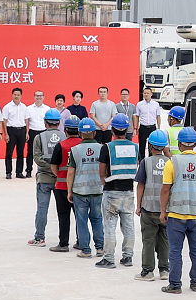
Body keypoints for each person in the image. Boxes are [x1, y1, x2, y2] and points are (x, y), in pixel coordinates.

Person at [159, 127, 196, 294]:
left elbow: (165, 190)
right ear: (194, 144)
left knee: (175, 251)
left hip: (176, 214)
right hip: (195, 214)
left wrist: (163, 211)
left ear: (179, 144)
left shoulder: (172, 162)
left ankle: (175, 285)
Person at [95, 114, 138, 269]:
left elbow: (101, 173)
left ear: (112, 130)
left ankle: (109, 259)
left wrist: (106, 185)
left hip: (111, 192)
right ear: (126, 130)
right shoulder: (135, 147)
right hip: (129, 192)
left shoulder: (107, 147)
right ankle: (128, 257)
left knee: (109, 228)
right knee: (129, 227)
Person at [134, 130, 171, 281]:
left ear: (150, 146)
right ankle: (164, 270)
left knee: (148, 241)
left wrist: (138, 206)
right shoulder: (170, 162)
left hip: (148, 209)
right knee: (164, 240)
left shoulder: (146, 162)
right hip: (165, 210)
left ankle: (148, 271)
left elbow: (140, 185)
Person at [66, 118, 106, 259]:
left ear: (79, 133)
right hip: (97, 191)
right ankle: (100, 248)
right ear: (95, 133)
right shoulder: (102, 148)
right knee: (97, 219)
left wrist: (69, 191)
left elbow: (70, 172)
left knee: (81, 221)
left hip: (80, 192)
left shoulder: (75, 150)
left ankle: (85, 250)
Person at [28, 108, 64, 247]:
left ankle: (39, 238)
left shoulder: (39, 137)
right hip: (60, 180)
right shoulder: (64, 137)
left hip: (44, 179)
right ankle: (63, 240)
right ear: (59, 122)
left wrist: (49, 169)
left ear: (45, 122)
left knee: (42, 209)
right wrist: (57, 171)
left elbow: (37, 158)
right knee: (62, 211)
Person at [47, 117, 82, 252]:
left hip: (62, 187)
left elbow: (54, 166)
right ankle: (81, 242)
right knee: (80, 216)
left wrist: (62, 176)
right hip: (80, 187)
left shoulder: (60, 146)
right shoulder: (82, 145)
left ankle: (63, 244)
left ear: (65, 130)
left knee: (63, 215)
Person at [1, 87, 28, 179]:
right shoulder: (7, 107)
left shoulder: (24, 107)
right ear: (12, 95)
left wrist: (27, 133)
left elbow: (26, 120)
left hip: (22, 130)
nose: (16, 96)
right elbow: (4, 121)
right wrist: (6, 134)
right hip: (11, 130)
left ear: (21, 96)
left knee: (20, 153)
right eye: (15, 95)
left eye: (18, 95)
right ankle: (8, 172)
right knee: (9, 153)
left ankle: (19, 172)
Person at [23, 90, 48, 178]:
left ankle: (44, 170)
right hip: (32, 131)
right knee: (30, 152)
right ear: (34, 97)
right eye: (37, 96)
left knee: (44, 153)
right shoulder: (28, 108)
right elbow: (26, 122)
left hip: (44, 132)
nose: (39, 97)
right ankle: (28, 170)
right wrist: (27, 133)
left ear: (43, 97)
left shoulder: (47, 109)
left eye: (40, 96)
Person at [134, 88, 162, 160]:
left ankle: (151, 161)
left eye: (148, 93)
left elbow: (158, 116)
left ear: (151, 94)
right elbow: (137, 116)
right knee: (141, 147)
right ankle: (141, 162)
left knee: (152, 147)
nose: (146, 94)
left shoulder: (156, 104)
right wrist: (136, 128)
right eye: (145, 93)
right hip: (143, 127)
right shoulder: (139, 104)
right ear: (143, 94)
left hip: (152, 128)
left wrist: (158, 127)